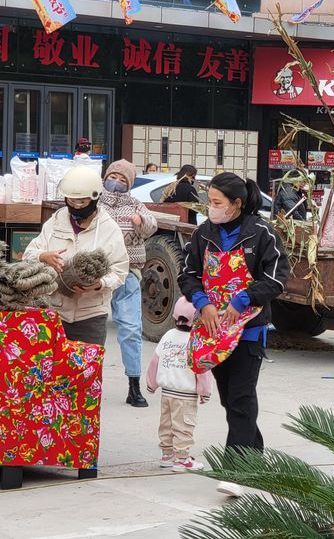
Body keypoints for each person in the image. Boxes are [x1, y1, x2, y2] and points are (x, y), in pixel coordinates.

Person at [178, 172, 288, 498]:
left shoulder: (263, 234)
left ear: (236, 204)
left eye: (217, 203)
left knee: (241, 398)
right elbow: (189, 275)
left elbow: (277, 278)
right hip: (214, 330)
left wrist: (243, 299)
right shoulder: (203, 234)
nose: (211, 208)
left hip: (249, 330)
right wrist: (203, 303)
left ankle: (237, 470)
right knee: (230, 400)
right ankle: (255, 458)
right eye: (209, 202)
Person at [25, 167, 129, 346]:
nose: (76, 206)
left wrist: (99, 284)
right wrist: (43, 256)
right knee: (54, 370)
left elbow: (120, 270)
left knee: (86, 370)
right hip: (55, 311)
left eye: (82, 202)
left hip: (91, 315)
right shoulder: (55, 222)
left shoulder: (109, 229)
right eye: (71, 201)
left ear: (95, 198)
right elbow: (28, 255)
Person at [100, 160, 158, 408]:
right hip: (96, 274)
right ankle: (85, 383)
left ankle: (133, 386)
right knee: (92, 330)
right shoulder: (95, 203)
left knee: (131, 329)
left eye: (123, 179)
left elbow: (152, 224)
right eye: (113, 176)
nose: (117, 182)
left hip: (127, 273)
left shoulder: (136, 204)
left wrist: (139, 221)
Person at [145, 297, 213, 472]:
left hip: (167, 392)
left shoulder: (168, 336)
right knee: (184, 426)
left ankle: (167, 455)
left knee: (166, 424)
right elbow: (202, 369)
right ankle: (182, 459)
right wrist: (205, 391)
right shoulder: (196, 340)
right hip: (185, 394)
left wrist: (151, 383)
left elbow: (155, 361)